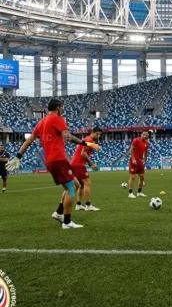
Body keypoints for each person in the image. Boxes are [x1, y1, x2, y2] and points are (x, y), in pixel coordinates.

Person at [5, 98, 99, 229]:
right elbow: (68, 136)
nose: (63, 109)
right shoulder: (58, 119)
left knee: (75, 185)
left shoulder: (41, 122)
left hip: (50, 161)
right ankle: (67, 222)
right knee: (72, 188)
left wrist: (18, 156)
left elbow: (29, 140)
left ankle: (59, 213)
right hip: (58, 159)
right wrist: (86, 143)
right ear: (58, 107)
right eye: (62, 107)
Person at [71, 127, 103, 211]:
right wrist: (91, 164)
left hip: (75, 163)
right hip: (78, 164)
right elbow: (83, 154)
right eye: (97, 134)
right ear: (92, 132)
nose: (98, 136)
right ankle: (88, 206)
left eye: (100, 134)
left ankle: (78, 205)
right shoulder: (89, 140)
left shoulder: (88, 140)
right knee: (87, 183)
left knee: (81, 185)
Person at [128, 131, 150, 198]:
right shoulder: (136, 140)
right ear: (141, 134)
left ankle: (139, 192)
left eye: (146, 135)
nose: (144, 135)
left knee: (142, 177)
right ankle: (130, 193)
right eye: (143, 134)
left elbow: (146, 152)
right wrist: (133, 158)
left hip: (140, 161)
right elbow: (131, 150)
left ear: (147, 136)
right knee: (133, 177)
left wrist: (145, 160)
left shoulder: (147, 143)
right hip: (133, 160)